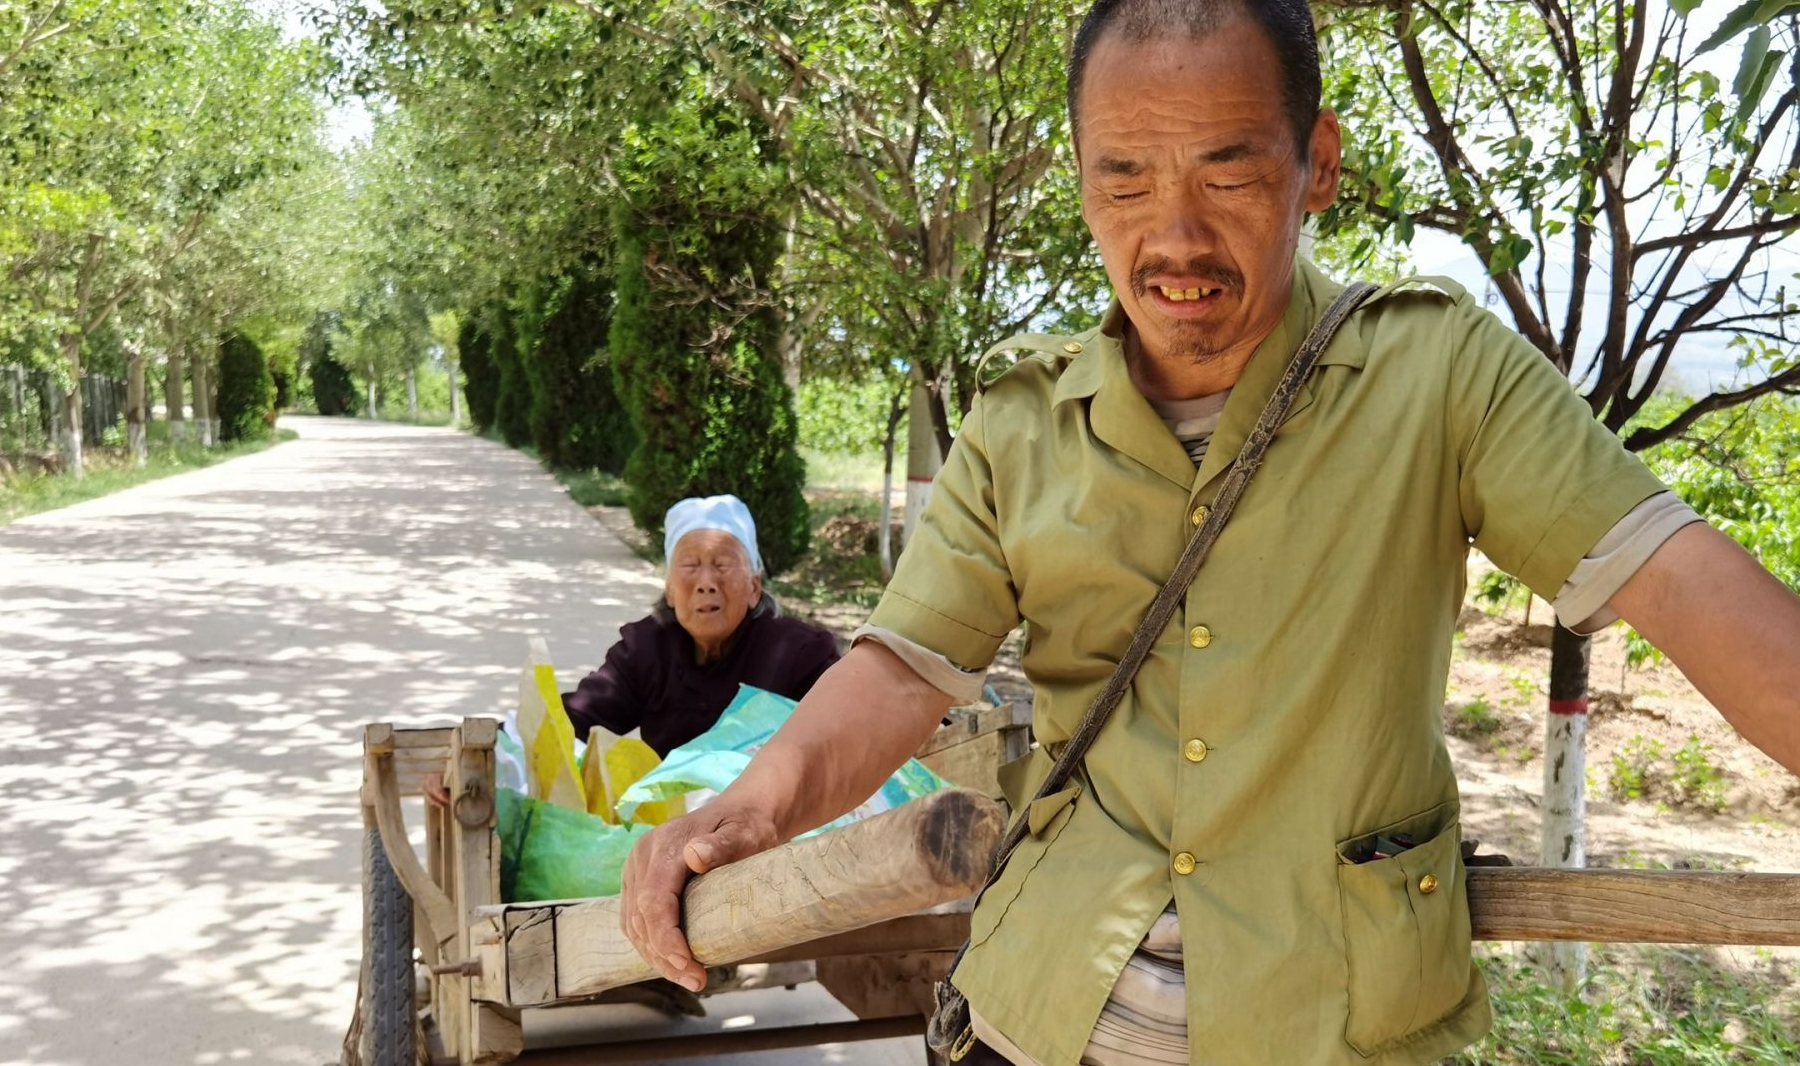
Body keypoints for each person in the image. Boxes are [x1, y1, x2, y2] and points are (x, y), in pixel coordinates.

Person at [617, 3, 1800, 1065]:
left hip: (1332, 1023)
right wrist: (750, 809)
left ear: (1316, 164)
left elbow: (1685, 582)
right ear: (1081, 182)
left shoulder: (1441, 374)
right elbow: (900, 671)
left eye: (1226, 176)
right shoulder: (1021, 422)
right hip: (1044, 1010)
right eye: (1124, 180)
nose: (1171, 237)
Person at [426, 494, 839, 803]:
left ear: (754, 587)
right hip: (673, 837)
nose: (706, 581)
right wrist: (478, 757)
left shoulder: (800, 654)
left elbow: (840, 738)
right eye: (691, 565)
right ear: (670, 590)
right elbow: (573, 719)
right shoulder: (646, 648)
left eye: (724, 564)